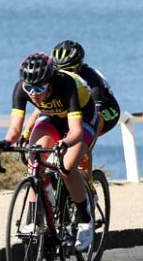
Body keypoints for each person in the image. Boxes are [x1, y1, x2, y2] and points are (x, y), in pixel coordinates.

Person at [0, 53, 98, 250]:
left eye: (39, 88)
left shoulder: (66, 85)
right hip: (52, 117)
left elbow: (75, 131)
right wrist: (5, 142)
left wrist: (65, 142)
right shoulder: (21, 89)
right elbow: (16, 129)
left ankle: (85, 218)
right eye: (29, 88)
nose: (33, 93)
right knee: (35, 162)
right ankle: (38, 216)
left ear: (50, 82)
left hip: (83, 119)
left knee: (66, 167)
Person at [45, 40, 121, 178]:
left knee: (83, 141)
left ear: (79, 66)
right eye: (59, 69)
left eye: (68, 69)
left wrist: (85, 149)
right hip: (79, 106)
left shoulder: (91, 80)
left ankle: (89, 182)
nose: (64, 73)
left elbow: (98, 120)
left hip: (107, 111)